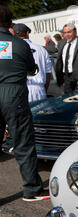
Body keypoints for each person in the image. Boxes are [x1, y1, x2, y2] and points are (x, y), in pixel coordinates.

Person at [0, 6, 49, 201]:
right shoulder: (20, 44)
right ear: (11, 24)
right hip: (14, 93)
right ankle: (32, 189)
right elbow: (32, 68)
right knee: (23, 141)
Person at [13, 23, 52, 103]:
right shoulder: (41, 49)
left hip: (21, 90)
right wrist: (43, 89)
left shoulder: (12, 49)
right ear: (27, 33)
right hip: (39, 89)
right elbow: (48, 73)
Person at [55, 23, 78, 94]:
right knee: (67, 101)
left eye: (69, 32)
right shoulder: (62, 43)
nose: (67, 35)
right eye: (65, 33)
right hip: (65, 77)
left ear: (75, 31)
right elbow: (59, 61)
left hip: (77, 79)